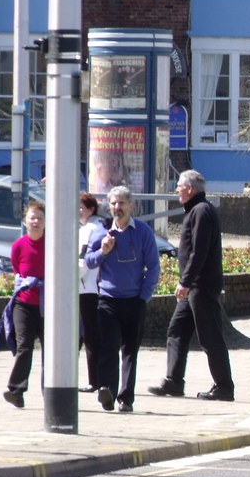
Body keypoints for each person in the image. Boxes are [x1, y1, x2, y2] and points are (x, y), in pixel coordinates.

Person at [149, 170, 235, 402]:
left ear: (190, 188)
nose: (176, 189)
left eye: (179, 185)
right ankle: (174, 381)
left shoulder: (202, 211)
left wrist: (186, 282)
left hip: (201, 286)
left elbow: (200, 251)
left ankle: (224, 387)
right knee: (176, 331)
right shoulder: (196, 210)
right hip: (193, 288)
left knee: (210, 337)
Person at [83, 186, 160, 413]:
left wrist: (143, 296)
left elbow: (153, 267)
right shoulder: (102, 232)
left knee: (129, 352)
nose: (117, 208)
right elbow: (89, 261)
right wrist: (104, 251)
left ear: (131, 206)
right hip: (107, 299)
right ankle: (107, 390)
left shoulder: (143, 232)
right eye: (113, 203)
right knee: (108, 347)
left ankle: (126, 398)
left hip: (134, 300)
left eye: (121, 203)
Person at [2, 201, 46, 409]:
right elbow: (17, 271)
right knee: (24, 346)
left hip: (49, 305)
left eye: (39, 218)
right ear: (25, 221)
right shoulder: (18, 246)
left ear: (46, 222)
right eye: (32, 218)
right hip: (24, 303)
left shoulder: (52, 244)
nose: (36, 222)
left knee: (51, 350)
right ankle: (16, 390)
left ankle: (52, 393)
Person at [78, 191, 108, 393]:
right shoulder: (95, 227)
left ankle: (94, 380)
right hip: (90, 287)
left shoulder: (89, 229)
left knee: (90, 335)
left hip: (87, 288)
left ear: (91, 209)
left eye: (80, 206)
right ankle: (96, 378)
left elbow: (83, 260)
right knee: (91, 335)